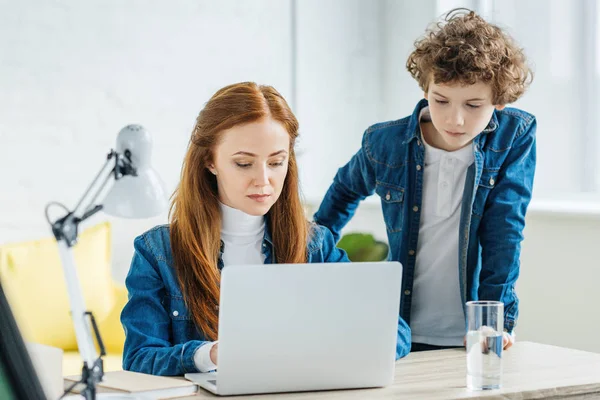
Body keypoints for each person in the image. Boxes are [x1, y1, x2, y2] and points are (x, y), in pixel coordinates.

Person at [121, 82, 412, 375]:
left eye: (276, 162)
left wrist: (342, 349)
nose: (263, 180)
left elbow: (396, 331)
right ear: (210, 160)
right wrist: (211, 354)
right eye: (244, 163)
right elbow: (139, 358)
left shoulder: (314, 245)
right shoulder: (157, 252)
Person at [314, 9, 535, 352]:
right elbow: (343, 192)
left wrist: (493, 322)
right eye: (441, 100)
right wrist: (310, 262)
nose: (455, 119)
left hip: (471, 334)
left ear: (499, 101)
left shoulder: (512, 137)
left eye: (474, 105)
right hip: (399, 329)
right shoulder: (384, 144)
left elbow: (505, 230)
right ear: (426, 88)